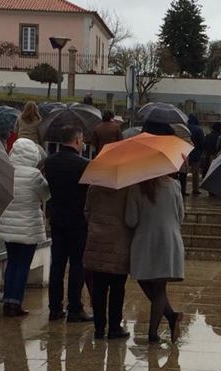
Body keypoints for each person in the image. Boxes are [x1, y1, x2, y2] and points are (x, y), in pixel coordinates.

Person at [125, 172, 185, 343]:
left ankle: (154, 332)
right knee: (159, 287)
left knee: (145, 280)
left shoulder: (136, 187)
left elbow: (131, 220)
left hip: (145, 241)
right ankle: (169, 318)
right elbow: (180, 216)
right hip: (169, 240)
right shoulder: (174, 185)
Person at [43, 125, 93, 322]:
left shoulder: (50, 162)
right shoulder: (83, 164)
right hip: (78, 221)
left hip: (57, 219)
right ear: (78, 140)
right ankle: (75, 307)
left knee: (57, 265)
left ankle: (55, 308)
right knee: (77, 265)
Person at [0, 138, 50, 317]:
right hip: (29, 226)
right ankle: (16, 303)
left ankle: (7, 301)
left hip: (8, 224)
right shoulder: (34, 175)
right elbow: (46, 195)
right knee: (23, 265)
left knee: (12, 262)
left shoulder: (6, 172)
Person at [84, 182, 132, 340]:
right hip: (119, 241)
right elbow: (132, 218)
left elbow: (87, 212)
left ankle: (99, 327)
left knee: (98, 286)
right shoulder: (129, 187)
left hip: (97, 240)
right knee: (118, 287)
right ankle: (114, 327)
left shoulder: (95, 186)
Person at [187, 114, 205, 195]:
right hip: (196, 153)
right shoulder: (199, 129)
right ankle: (195, 189)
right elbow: (202, 142)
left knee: (183, 172)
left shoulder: (185, 128)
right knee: (195, 173)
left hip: (185, 152)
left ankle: (183, 189)